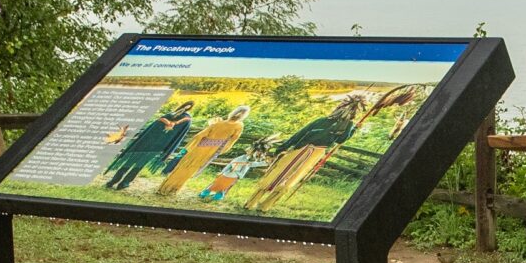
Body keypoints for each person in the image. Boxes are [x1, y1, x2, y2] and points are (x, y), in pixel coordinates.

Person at [245, 85, 421, 210]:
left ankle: (263, 205)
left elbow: (339, 140)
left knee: (291, 177)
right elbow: (300, 135)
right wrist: (284, 147)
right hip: (302, 149)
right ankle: (256, 203)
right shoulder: (325, 122)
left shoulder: (343, 126)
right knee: (280, 175)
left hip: (312, 152)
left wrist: (353, 129)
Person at [156, 105, 251, 196]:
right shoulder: (239, 125)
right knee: (190, 169)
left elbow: (199, 135)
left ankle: (165, 188)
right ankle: (173, 189)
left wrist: (191, 146)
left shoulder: (218, 122)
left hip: (200, 147)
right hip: (211, 149)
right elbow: (232, 141)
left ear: (234, 112)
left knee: (183, 166)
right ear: (244, 115)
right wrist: (221, 150)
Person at [101, 105, 193, 190]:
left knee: (130, 161)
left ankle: (112, 181)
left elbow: (152, 127)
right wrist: (166, 150)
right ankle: (124, 183)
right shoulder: (187, 120)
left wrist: (166, 122)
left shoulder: (169, 115)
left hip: (145, 142)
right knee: (139, 165)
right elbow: (177, 137)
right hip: (158, 146)